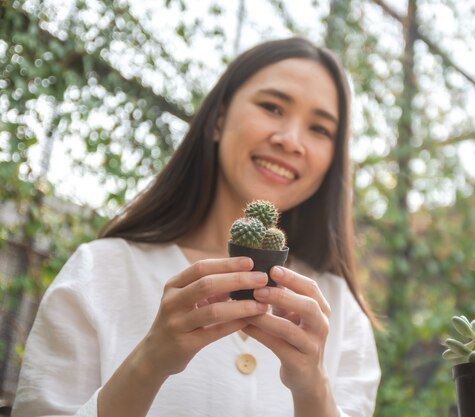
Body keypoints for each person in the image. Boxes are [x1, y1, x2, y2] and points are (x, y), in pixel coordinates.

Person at [12, 37, 381, 417]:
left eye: (319, 130)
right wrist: (149, 361)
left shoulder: (341, 313)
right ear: (219, 119)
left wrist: (313, 388)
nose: (290, 141)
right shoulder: (100, 273)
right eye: (272, 107)